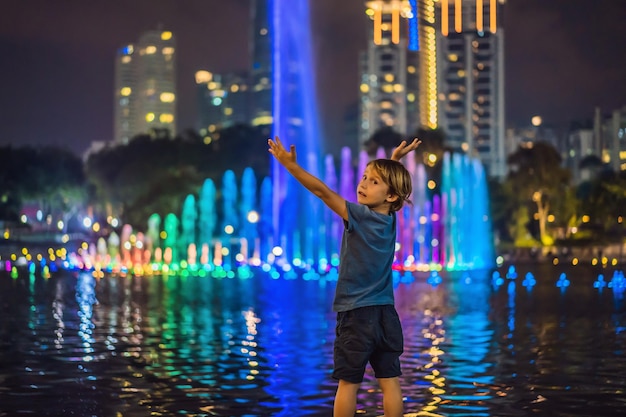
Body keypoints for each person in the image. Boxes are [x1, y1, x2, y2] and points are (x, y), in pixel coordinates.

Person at [267, 136, 421, 417]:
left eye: (373, 181)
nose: (362, 183)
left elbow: (323, 192)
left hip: (356, 316)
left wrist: (291, 166)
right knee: (390, 384)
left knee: (348, 385)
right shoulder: (390, 219)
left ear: (390, 196)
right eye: (364, 177)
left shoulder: (360, 216)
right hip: (386, 315)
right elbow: (392, 190)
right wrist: (394, 160)